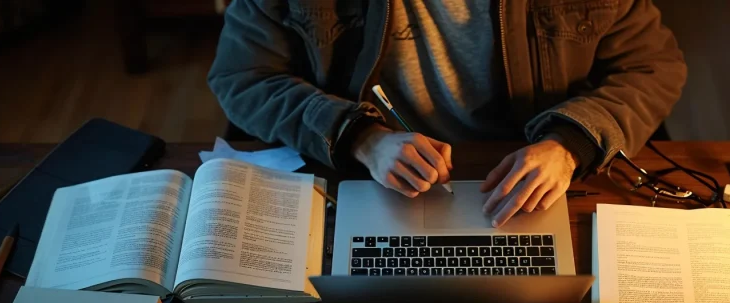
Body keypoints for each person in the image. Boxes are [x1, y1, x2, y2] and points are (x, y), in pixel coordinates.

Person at [208, 0, 686, 227]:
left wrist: (569, 144)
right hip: (359, 176)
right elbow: (242, 77)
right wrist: (359, 137)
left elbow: (652, 67)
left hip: (524, 175)